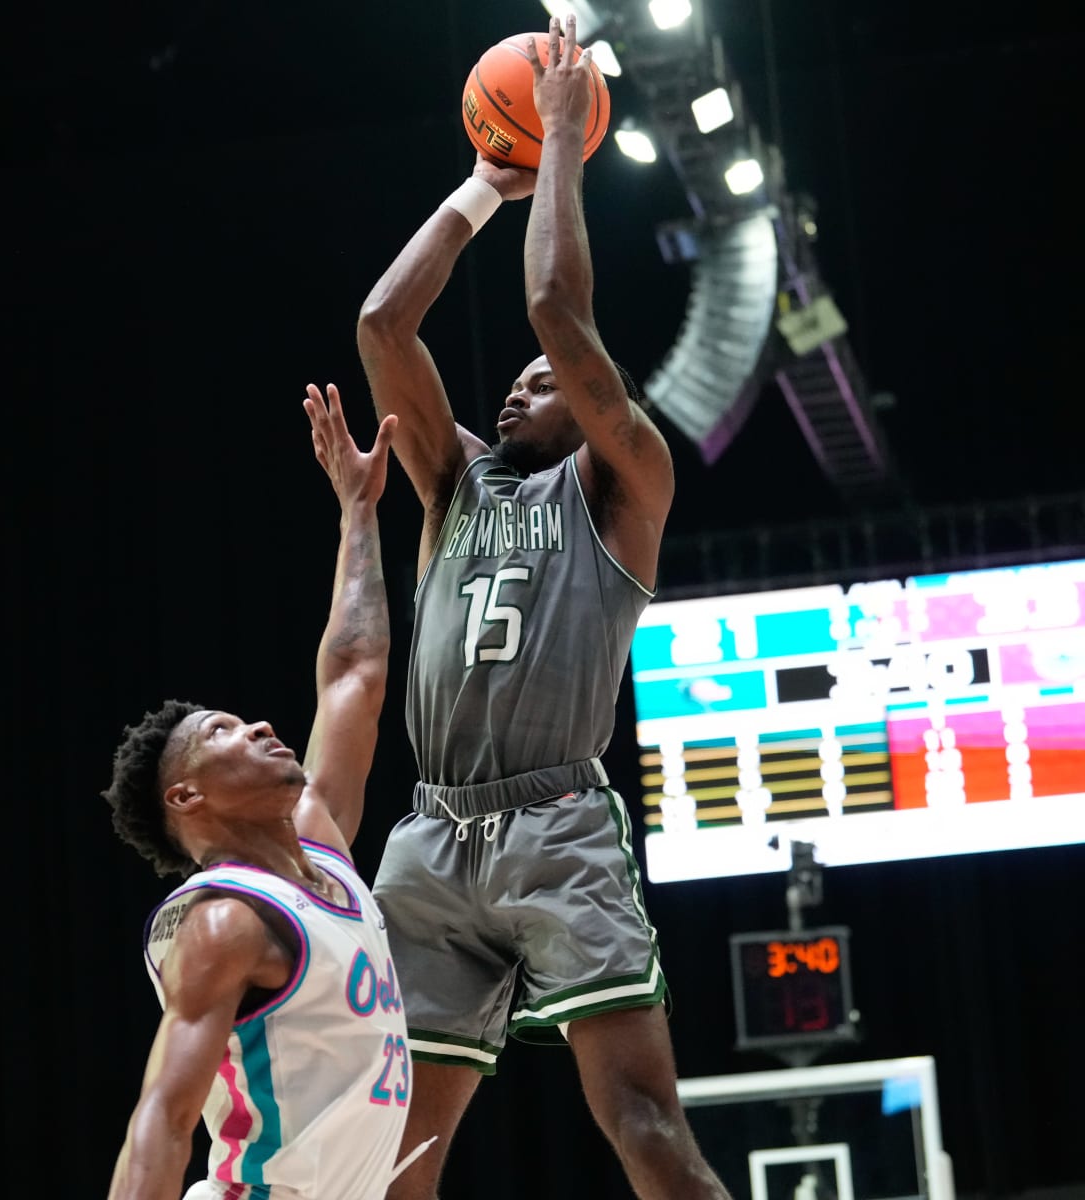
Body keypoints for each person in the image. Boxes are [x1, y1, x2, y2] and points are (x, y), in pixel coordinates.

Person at [355, 16, 729, 1200]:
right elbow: (380, 327)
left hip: (556, 827)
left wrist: (560, 140)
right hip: (428, 835)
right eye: (510, 386)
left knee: (643, 1127)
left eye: (543, 387)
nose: (520, 389)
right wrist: (478, 188)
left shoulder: (626, 484)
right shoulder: (456, 483)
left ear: (591, 402)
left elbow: (558, 318)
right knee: (395, 1150)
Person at [103, 389, 423, 1200]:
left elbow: (356, 673)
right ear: (184, 798)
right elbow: (163, 1120)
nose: (260, 728)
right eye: (223, 733)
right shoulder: (223, 922)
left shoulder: (321, 843)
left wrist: (359, 508)